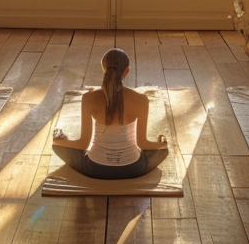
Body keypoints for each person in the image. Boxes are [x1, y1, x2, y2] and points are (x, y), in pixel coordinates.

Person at [52, 47, 169, 179]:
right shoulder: (141, 100)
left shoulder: (88, 98)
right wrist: (160, 144)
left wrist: (62, 141)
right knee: (164, 151)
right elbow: (142, 144)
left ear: (104, 69)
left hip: (94, 168)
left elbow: (83, 144)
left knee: (56, 147)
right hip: (133, 169)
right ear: (126, 71)